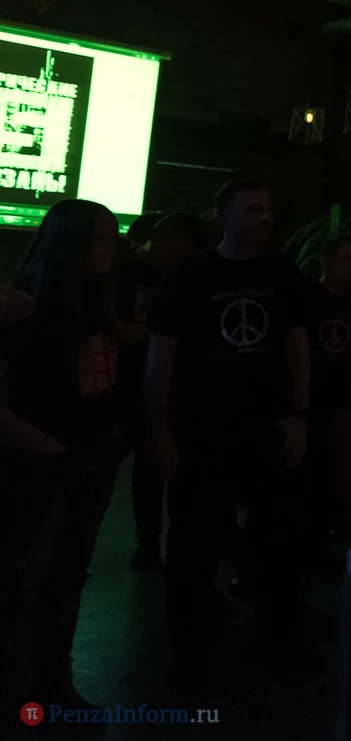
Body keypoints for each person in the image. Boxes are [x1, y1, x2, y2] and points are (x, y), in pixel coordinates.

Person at [146, 179, 311, 683]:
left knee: (278, 539)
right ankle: (189, 647)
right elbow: (161, 360)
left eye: (268, 208)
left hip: (267, 428)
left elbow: (297, 349)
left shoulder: (283, 274)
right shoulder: (190, 277)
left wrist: (299, 415)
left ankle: (275, 640)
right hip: (203, 431)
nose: (265, 216)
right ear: (225, 215)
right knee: (193, 542)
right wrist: (160, 432)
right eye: (254, 208)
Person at [0, 200, 124, 711]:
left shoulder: (84, 299)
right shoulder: (28, 307)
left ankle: (45, 685)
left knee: (62, 572)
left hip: (77, 454)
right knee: (36, 573)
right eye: (102, 238)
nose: (111, 248)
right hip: (44, 460)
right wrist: (46, 447)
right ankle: (30, 689)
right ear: (73, 243)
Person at [114, 212, 210, 572]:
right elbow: (105, 322)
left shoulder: (169, 273)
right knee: (140, 464)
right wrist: (166, 342)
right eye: (176, 253)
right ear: (160, 238)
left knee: (150, 466)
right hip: (121, 382)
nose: (178, 262)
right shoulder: (122, 269)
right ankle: (149, 540)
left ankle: (149, 540)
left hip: (151, 379)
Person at [306, 234, 351, 553]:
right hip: (307, 396)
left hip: (339, 397)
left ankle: (317, 543)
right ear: (325, 260)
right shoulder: (307, 297)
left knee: (330, 475)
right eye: (345, 258)